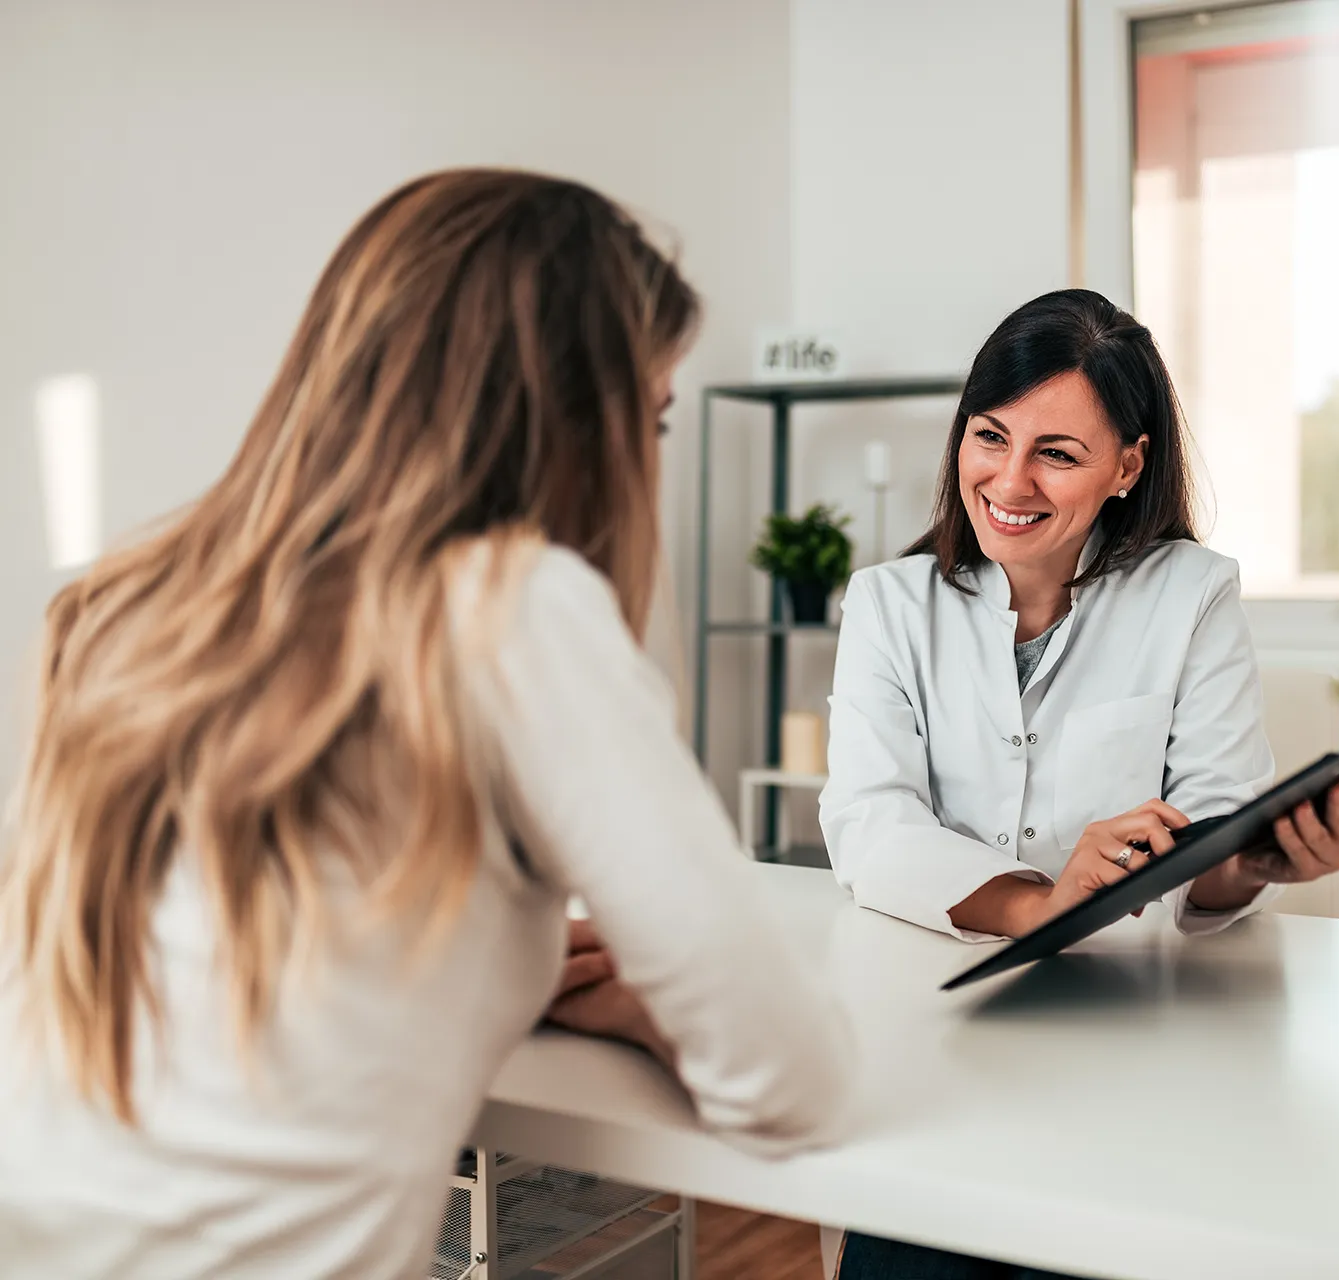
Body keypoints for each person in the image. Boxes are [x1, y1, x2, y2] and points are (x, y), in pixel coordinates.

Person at [0, 170, 854, 1279]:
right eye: (648, 418)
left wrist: (500, 959)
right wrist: (650, 1011)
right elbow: (793, 1083)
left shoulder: (129, 606)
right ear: (568, 421)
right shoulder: (511, 606)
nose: (650, 460)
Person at [819, 288, 1339, 1280]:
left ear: (1126, 464)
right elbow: (868, 821)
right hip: (941, 1041)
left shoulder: (1190, 592)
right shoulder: (886, 603)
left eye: (1057, 452)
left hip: (1136, 1047)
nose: (1008, 477)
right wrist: (1042, 902)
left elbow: (1210, 830)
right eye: (988, 435)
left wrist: (1255, 861)